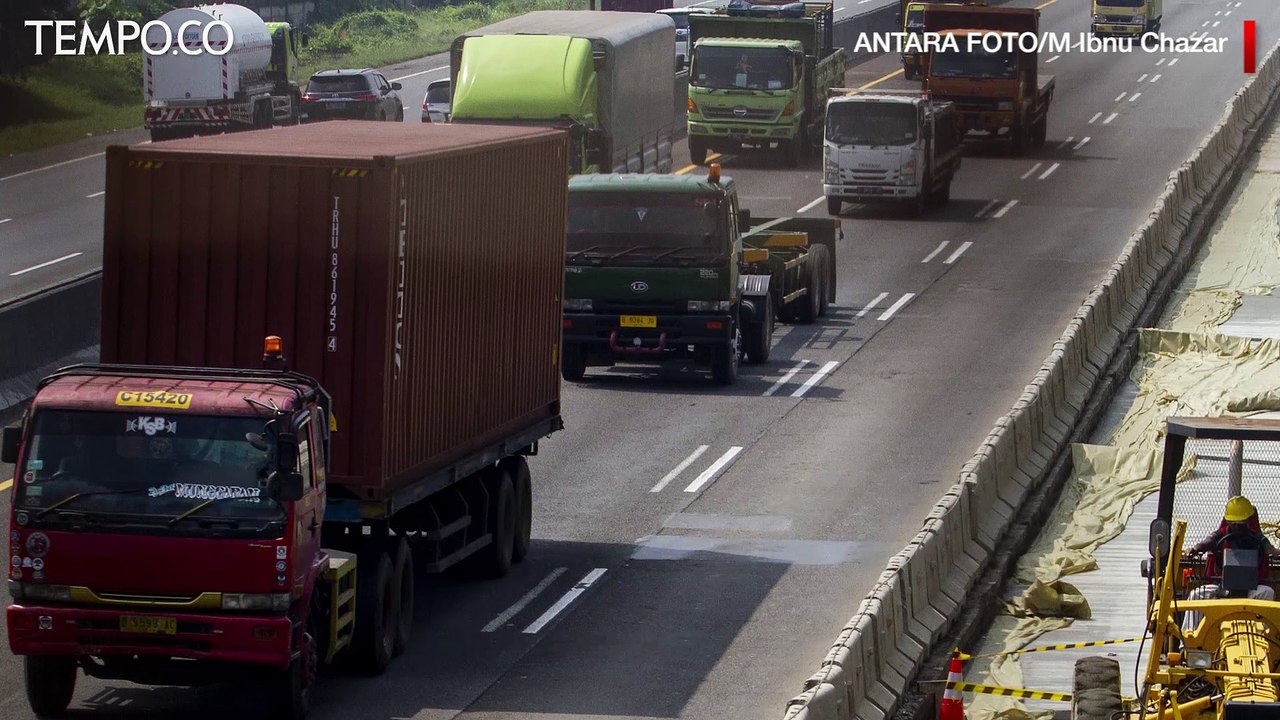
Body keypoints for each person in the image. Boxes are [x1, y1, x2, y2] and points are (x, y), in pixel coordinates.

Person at [1181, 496, 1279, 632]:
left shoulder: (1258, 538)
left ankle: (1265, 636)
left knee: (1268, 592)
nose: (1237, 527)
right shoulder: (1219, 535)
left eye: (1241, 523)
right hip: (1221, 588)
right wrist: (1194, 549)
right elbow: (1206, 543)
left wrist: (1276, 553)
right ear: (1227, 521)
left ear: (1249, 520)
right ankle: (1190, 639)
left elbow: (1271, 550)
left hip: (1251, 589)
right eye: (1234, 523)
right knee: (1195, 596)